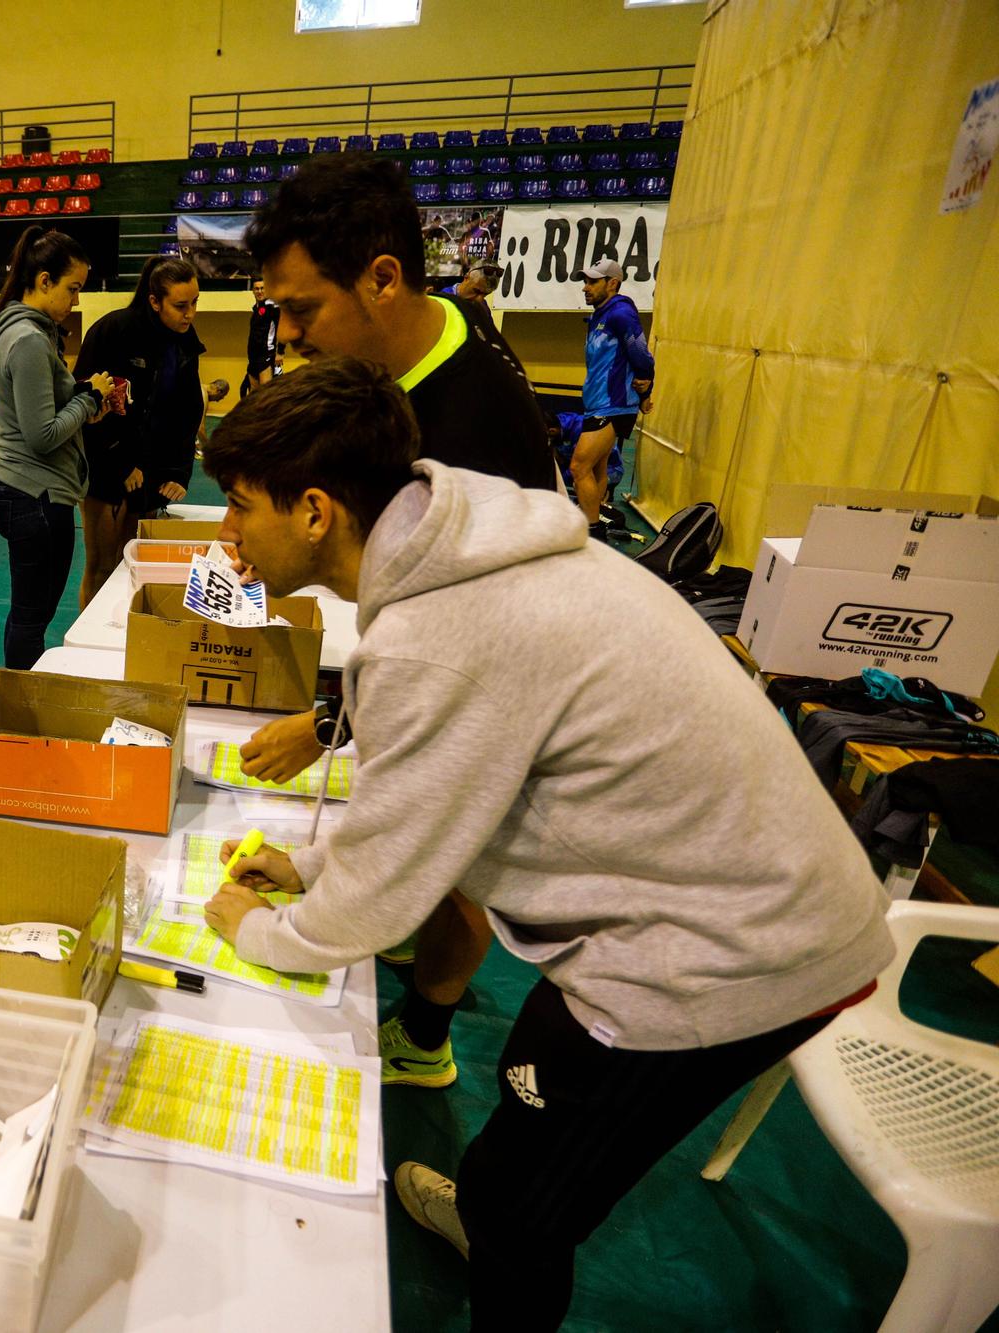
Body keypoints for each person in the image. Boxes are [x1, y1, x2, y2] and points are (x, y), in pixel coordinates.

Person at [198, 359, 891, 1331]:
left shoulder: (437, 631)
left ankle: (504, 1226)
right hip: (733, 897)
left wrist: (255, 925)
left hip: (732, 954)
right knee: (527, 1102)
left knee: (528, 1212)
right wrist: (310, 863)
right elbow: (435, 799)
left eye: (238, 506)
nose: (226, 533)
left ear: (315, 510)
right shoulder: (472, 544)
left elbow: (370, 911)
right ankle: (492, 1203)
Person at [232, 152, 559, 1087]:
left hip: (512, 706)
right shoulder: (408, 356)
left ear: (381, 279)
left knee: (461, 867)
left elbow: (464, 686)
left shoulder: (471, 434)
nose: (288, 336)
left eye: (303, 311)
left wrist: (328, 725)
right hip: (462, 671)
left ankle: (424, 1035)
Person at [0, 226, 110, 669]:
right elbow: (43, 434)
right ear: (44, 280)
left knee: (29, 615)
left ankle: (18, 692)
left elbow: (43, 406)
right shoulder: (29, 339)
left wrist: (84, 395)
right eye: (73, 288)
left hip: (26, 491)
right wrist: (89, 401)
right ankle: (22, 699)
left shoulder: (26, 329)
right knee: (32, 620)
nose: (76, 301)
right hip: (33, 495)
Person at [73, 254, 206, 608]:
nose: (190, 314)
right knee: (103, 568)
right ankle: (89, 640)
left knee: (134, 568)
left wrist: (179, 472)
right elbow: (85, 406)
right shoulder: (113, 331)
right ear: (154, 301)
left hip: (152, 473)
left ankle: (125, 635)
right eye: (181, 306)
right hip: (106, 470)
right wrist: (121, 464)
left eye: (195, 303)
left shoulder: (185, 342)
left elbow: (188, 411)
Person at [575, 258, 654, 537]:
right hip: (598, 402)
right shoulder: (600, 315)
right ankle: (594, 518)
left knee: (579, 466)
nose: (585, 287)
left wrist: (646, 389)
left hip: (614, 405)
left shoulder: (621, 314)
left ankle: (592, 531)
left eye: (592, 282)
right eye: (585, 281)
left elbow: (642, 354)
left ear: (612, 283)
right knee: (598, 468)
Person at [243, 274, 281, 399]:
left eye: (262, 288)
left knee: (265, 394)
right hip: (253, 357)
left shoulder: (272, 307)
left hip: (266, 355)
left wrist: (280, 352)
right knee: (253, 395)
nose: (259, 291)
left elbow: (281, 329)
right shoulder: (256, 309)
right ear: (253, 291)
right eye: (257, 289)